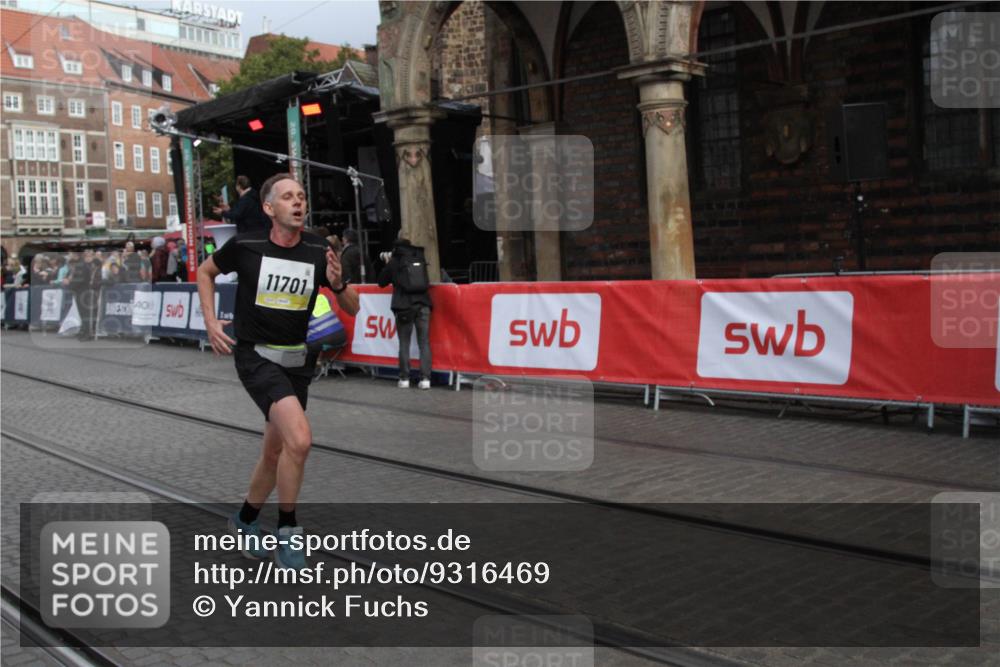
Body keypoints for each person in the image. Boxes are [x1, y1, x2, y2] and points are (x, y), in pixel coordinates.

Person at [196, 173, 359, 570]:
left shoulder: (319, 249)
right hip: (256, 357)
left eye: (301, 196)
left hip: (298, 361)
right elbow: (205, 272)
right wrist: (211, 321)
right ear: (269, 208)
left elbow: (353, 308)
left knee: (275, 452)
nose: (298, 202)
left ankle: (244, 520)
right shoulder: (247, 245)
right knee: (299, 440)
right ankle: (288, 532)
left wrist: (338, 286)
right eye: (288, 197)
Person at [377, 237, 433, 389]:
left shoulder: (395, 261)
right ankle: (425, 379)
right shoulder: (419, 258)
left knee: (404, 343)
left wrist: (388, 264)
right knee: (424, 342)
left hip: (404, 306)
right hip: (423, 303)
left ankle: (404, 378)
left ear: (395, 248)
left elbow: (381, 282)